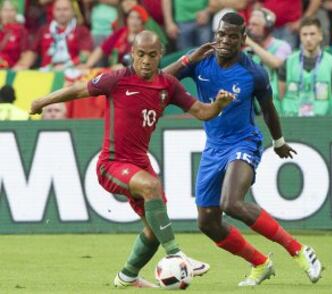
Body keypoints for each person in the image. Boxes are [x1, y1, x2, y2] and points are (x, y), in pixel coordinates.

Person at [30, 30, 235, 289]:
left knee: (153, 230)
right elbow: (79, 89)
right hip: (112, 165)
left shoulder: (168, 85)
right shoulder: (117, 80)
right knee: (151, 187)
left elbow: (201, 112)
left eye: (152, 55)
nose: (146, 60)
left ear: (160, 55)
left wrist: (218, 105)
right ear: (132, 54)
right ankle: (176, 255)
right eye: (140, 54)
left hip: (140, 164)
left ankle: (127, 275)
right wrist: (41, 101)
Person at [164, 12, 323, 287]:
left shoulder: (254, 73)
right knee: (207, 223)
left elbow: (269, 109)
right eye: (221, 34)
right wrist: (187, 59)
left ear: (243, 39)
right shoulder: (200, 59)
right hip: (214, 147)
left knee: (231, 203)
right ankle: (260, 263)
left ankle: (298, 250)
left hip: (243, 142)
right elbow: (159, 82)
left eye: (232, 36)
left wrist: (279, 141)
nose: (225, 41)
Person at [278, 17, 332, 116]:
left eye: (312, 34)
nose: (308, 39)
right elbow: (282, 94)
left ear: (320, 36)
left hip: (324, 121)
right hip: (292, 120)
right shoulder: (288, 62)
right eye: (304, 35)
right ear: (300, 37)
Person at [18, 0, 93, 71]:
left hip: (72, 72)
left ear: (73, 11)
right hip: (47, 73)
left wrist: (66, 66)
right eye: (58, 9)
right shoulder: (44, 30)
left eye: (65, 9)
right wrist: (22, 65)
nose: (62, 13)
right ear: (53, 11)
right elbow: (32, 53)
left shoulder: (82, 30)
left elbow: (85, 56)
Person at [245, 8, 292, 114]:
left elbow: (276, 63)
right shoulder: (247, 52)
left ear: (267, 28)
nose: (250, 28)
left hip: (277, 106)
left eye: (255, 25)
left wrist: (251, 43)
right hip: (254, 107)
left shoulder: (282, 46)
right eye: (250, 24)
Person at [0, 0, 30, 69]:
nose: (8, 13)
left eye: (12, 10)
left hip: (10, 70)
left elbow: (24, 56)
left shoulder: (21, 31)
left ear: (16, 12)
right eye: (5, 10)